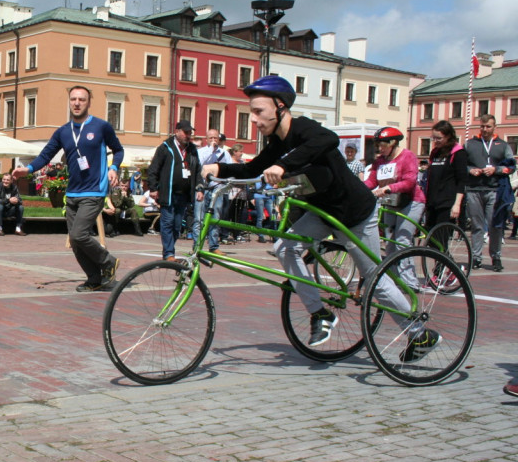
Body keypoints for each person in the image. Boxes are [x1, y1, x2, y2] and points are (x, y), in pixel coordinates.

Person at [201, 75, 439, 358]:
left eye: (258, 111)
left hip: (355, 215)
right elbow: (252, 170)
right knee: (284, 248)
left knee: (375, 279)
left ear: (280, 107)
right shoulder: (277, 143)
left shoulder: (305, 129)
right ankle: (320, 314)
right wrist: (218, 168)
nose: (253, 119)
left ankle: (419, 334)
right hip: (323, 214)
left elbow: (329, 139)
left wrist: (283, 165)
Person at [13, 85, 124, 292]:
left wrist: (114, 168)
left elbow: (118, 150)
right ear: (69, 101)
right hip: (72, 193)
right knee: (75, 241)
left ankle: (107, 261)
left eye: (81, 99)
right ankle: (94, 279)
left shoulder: (101, 127)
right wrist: (27, 169)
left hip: (94, 191)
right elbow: (46, 156)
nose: (77, 103)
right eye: (73, 99)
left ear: (89, 102)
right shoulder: (63, 132)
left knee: (79, 235)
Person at [363, 126, 426, 288]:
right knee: (389, 242)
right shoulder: (380, 161)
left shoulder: (407, 157)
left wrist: (388, 188)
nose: (380, 149)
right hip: (391, 202)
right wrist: (359, 187)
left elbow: (409, 181)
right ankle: (394, 279)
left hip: (411, 201)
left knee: (402, 240)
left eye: (383, 145)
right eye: (378, 145)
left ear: (393, 144)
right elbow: (372, 181)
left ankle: (411, 283)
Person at [464, 114, 515, 271]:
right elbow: (461, 165)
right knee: (477, 226)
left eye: (488, 127)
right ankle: (476, 258)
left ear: (494, 127)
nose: (485, 129)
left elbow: (512, 167)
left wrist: (496, 169)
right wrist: (470, 170)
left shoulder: (503, 145)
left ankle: (496, 257)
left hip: (495, 190)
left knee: (495, 225)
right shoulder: (470, 144)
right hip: (474, 189)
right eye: (482, 126)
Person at [147, 119, 200, 261]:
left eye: (190, 133)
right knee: (167, 222)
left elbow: (198, 170)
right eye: (185, 132)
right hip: (168, 193)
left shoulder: (192, 149)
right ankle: (169, 253)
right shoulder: (165, 147)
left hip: (184, 194)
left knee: (177, 225)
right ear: (177, 132)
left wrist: (199, 188)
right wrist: (153, 188)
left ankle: (169, 249)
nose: (188, 135)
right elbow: (153, 169)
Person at [194, 128, 233, 255]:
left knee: (215, 217)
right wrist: (211, 150)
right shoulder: (201, 152)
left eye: (215, 138)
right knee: (199, 218)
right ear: (206, 139)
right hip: (202, 188)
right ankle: (197, 245)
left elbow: (230, 168)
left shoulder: (224, 153)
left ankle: (213, 246)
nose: (213, 140)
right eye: (211, 138)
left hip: (217, 188)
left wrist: (226, 183)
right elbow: (199, 166)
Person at [423, 120, 467, 231]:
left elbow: (461, 181)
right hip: (432, 201)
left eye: (439, 138)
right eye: (434, 138)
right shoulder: (435, 152)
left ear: (448, 136)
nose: (435, 141)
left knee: (440, 237)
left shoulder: (458, 153)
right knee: (430, 237)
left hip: (447, 202)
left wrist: (457, 204)